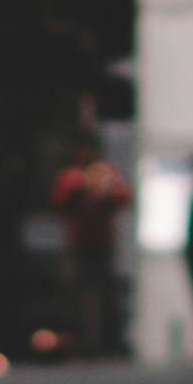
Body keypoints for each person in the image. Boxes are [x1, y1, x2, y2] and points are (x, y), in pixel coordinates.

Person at [49, 143, 132, 357]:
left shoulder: (107, 172)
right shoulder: (71, 176)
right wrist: (85, 185)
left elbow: (124, 197)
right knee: (79, 294)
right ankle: (81, 342)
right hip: (79, 243)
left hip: (102, 243)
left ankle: (106, 342)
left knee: (105, 293)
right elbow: (60, 201)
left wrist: (104, 187)